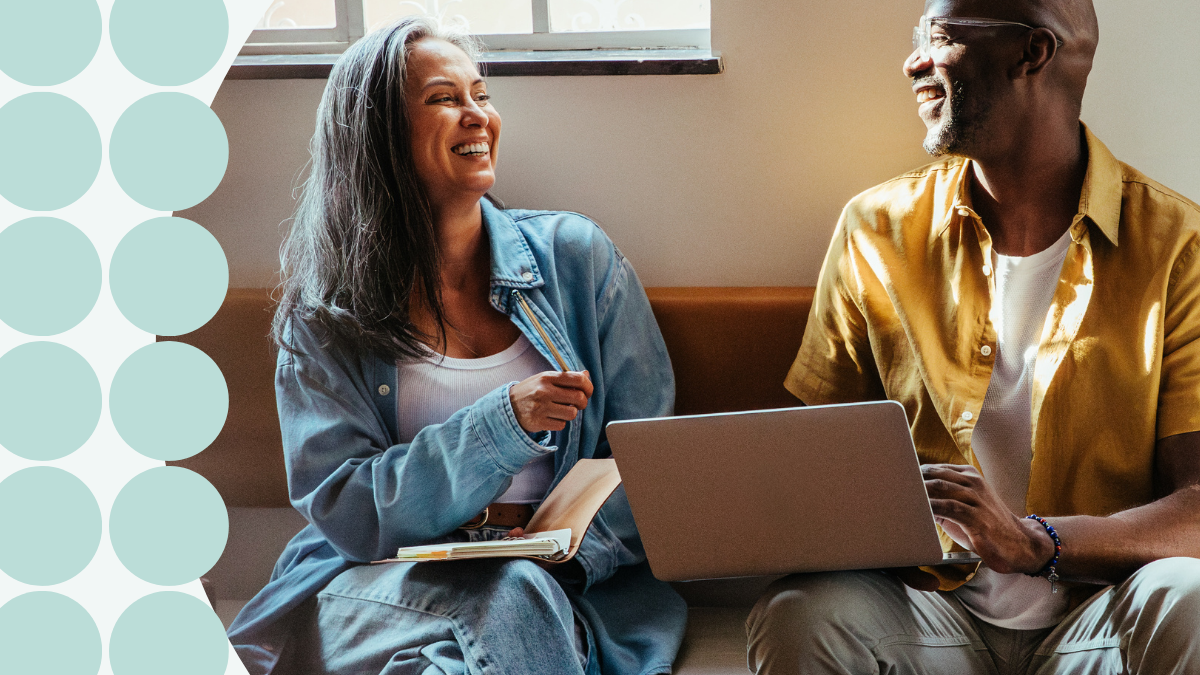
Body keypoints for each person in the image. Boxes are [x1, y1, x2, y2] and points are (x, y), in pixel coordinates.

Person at [746, 0, 1200, 673]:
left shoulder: (1178, 247)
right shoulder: (876, 230)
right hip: (927, 614)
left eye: (938, 38)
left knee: (1193, 596)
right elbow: (820, 457)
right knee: (799, 613)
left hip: (1100, 616)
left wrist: (1037, 542)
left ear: (1031, 53)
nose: (913, 63)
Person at [225, 17, 686, 675]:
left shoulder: (579, 261)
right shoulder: (324, 316)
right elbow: (349, 510)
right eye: (444, 98)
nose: (477, 116)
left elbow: (652, 466)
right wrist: (501, 425)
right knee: (510, 596)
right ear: (379, 135)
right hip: (377, 587)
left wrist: (558, 554)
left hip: (559, 589)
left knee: (469, 645)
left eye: (481, 95)